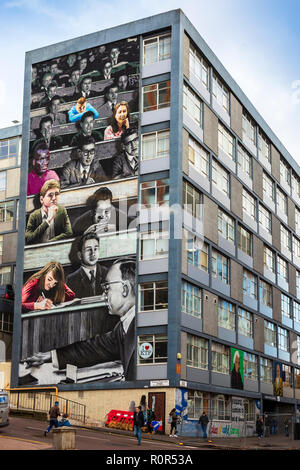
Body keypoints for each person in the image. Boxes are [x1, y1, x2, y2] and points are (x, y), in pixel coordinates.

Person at [22, 259, 136, 381]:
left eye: (107, 288)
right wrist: (51, 355)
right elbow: (93, 349)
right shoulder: (122, 327)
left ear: (125, 289)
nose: (103, 296)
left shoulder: (142, 328)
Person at [25, 179, 72, 245]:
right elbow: (28, 239)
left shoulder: (61, 211)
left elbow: (69, 233)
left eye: (56, 194)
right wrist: (48, 221)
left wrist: (50, 242)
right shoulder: (34, 215)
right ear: (42, 199)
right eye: (50, 195)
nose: (54, 198)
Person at [66, 232, 108, 299]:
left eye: (95, 249)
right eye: (88, 249)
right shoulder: (71, 280)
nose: (93, 253)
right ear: (80, 255)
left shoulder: (108, 273)